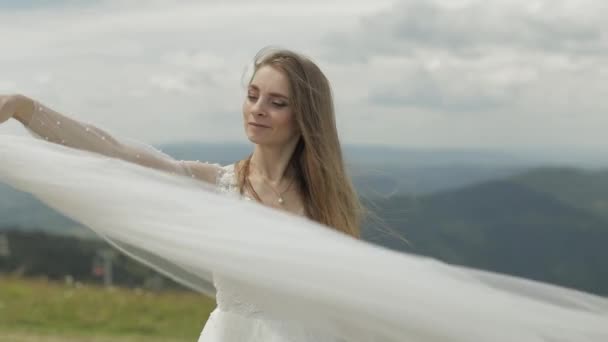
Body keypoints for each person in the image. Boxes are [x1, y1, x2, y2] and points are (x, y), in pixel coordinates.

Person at [1, 48, 607, 342]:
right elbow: (118, 151)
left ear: (303, 115)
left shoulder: (328, 208)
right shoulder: (218, 185)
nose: (258, 109)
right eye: (252, 94)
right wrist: (28, 108)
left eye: (277, 100)